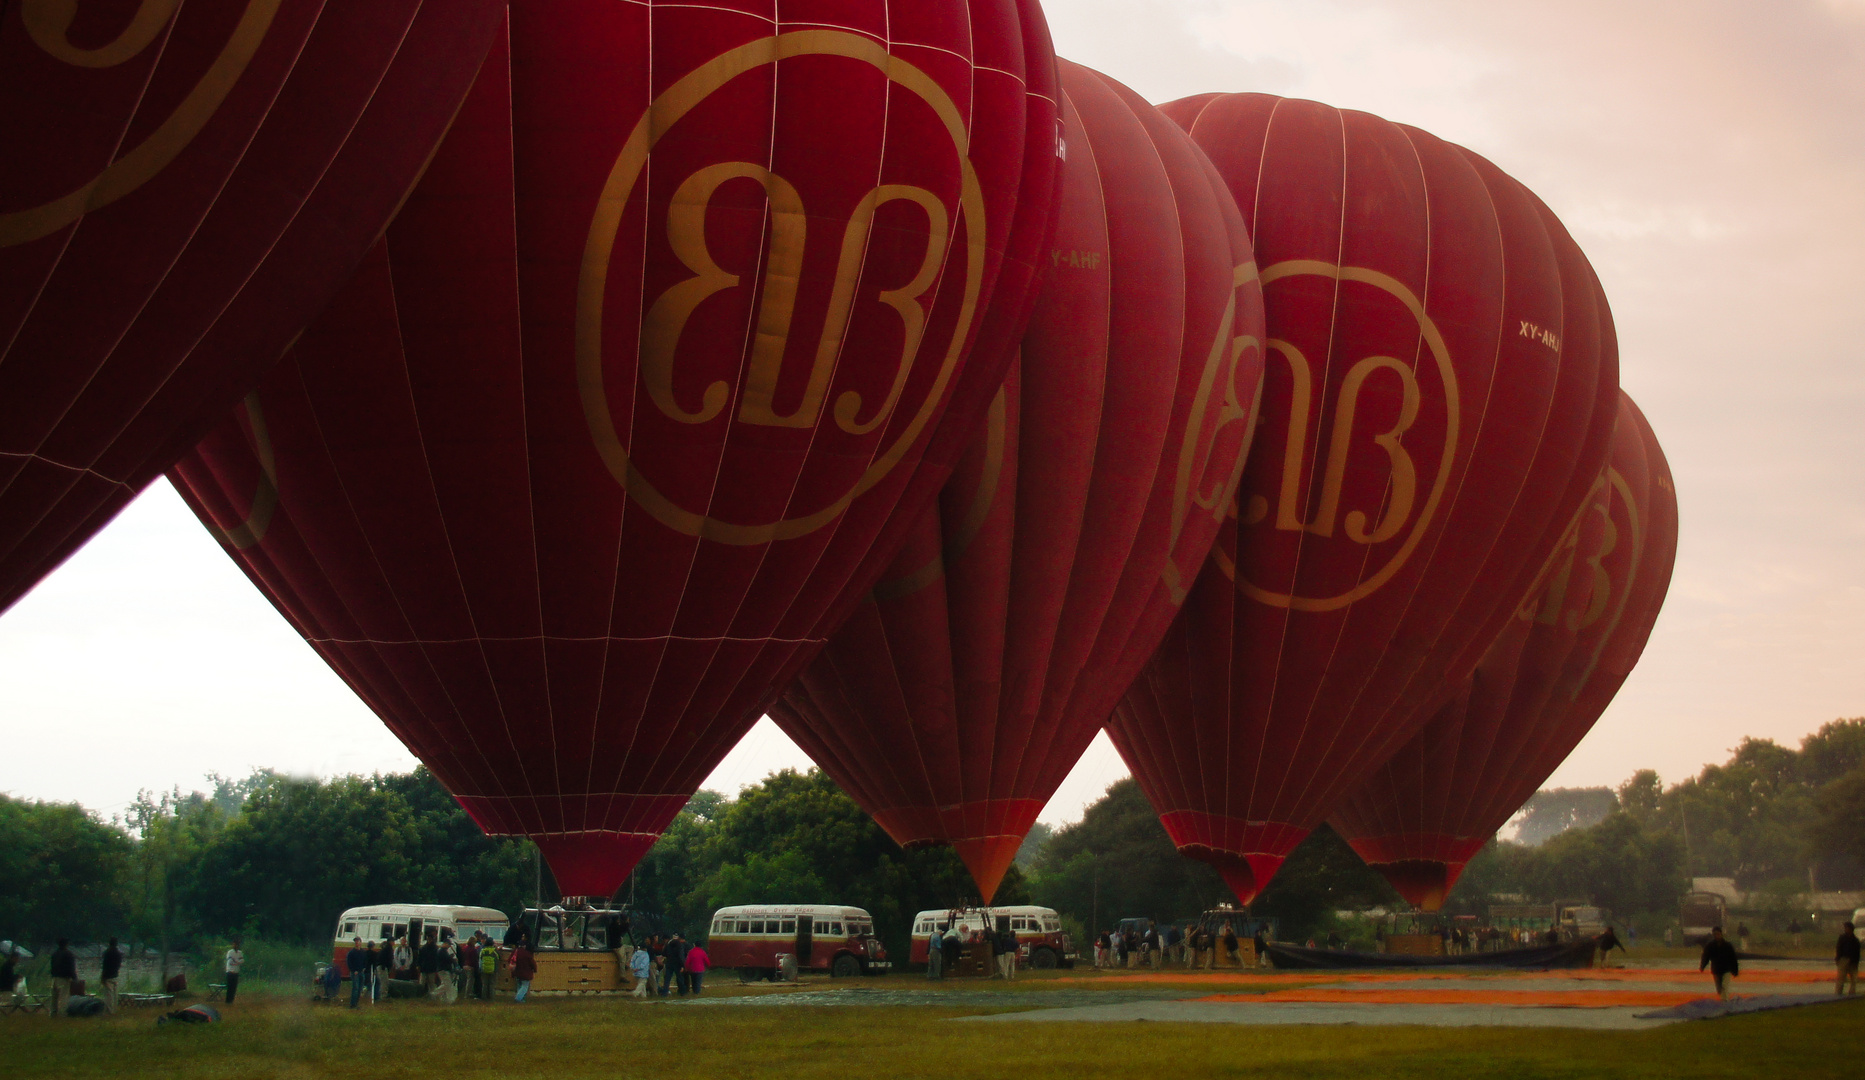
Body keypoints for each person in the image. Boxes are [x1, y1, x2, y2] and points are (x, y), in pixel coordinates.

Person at [1700, 926, 1740, 1000]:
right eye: (1715, 934)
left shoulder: (1727, 946)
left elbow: (1733, 958)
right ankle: (1724, 999)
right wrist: (1702, 966)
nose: (1717, 936)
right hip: (1716, 970)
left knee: (1724, 987)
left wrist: (1735, 970)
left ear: (1721, 934)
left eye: (1718, 934)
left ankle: (1725, 1003)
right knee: (1719, 989)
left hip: (1726, 970)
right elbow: (1705, 957)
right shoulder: (1710, 946)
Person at [48, 938, 76, 1017]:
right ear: (66, 944)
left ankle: (53, 1013)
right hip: (64, 978)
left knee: (54, 997)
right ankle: (62, 1014)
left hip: (54, 977)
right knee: (63, 997)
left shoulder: (54, 954)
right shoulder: (68, 954)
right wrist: (74, 978)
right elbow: (71, 967)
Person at [1835, 921, 1860, 996]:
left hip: (1852, 961)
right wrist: (1838, 958)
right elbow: (1839, 948)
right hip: (1843, 959)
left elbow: (1857, 952)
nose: (1846, 929)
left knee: (1854, 979)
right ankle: (1838, 994)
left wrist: (1856, 962)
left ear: (1851, 929)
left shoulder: (1855, 940)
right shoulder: (1842, 938)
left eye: (1847, 928)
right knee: (1841, 979)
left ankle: (1852, 993)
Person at [418, 929, 443, 999]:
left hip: (429, 968)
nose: (429, 940)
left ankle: (431, 996)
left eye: (430, 939)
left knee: (430, 983)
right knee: (426, 983)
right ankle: (424, 995)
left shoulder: (426, 948)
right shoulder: (434, 948)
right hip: (426, 968)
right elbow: (420, 958)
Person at [100, 937, 123, 1013]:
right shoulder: (119, 953)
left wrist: (103, 977)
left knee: (108, 995)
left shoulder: (107, 953)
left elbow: (105, 966)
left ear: (109, 943)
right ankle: (114, 1009)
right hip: (115, 975)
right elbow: (119, 965)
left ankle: (109, 1011)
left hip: (108, 976)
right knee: (115, 994)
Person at [346, 937, 370, 1008]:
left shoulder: (363, 952)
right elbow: (349, 963)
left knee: (360, 988)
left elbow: (365, 961)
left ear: (360, 943)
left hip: (361, 972)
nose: (357, 943)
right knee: (355, 988)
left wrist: (364, 968)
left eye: (358, 941)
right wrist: (353, 970)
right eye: (355, 942)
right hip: (355, 973)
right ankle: (353, 1004)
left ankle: (356, 1003)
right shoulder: (351, 953)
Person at [223, 937, 245, 1005]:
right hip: (230, 971)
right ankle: (228, 1001)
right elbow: (230, 961)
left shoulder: (240, 952)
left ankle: (231, 1000)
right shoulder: (230, 952)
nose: (236, 946)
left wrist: (237, 961)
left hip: (236, 971)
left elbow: (242, 960)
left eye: (237, 945)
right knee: (230, 987)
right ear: (233, 945)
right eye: (235, 944)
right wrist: (237, 962)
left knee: (234, 987)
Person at [479, 934, 501, 999]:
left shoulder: (483, 950)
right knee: (492, 984)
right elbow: (499, 958)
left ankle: (484, 997)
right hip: (493, 969)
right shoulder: (494, 951)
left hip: (484, 969)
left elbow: (480, 959)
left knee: (484, 984)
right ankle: (491, 998)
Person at [460, 933, 480, 1001]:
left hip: (464, 965)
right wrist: (476, 967)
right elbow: (474, 959)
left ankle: (466, 992)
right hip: (470, 966)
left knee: (466, 980)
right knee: (470, 981)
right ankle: (467, 994)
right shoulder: (473, 950)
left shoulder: (464, 948)